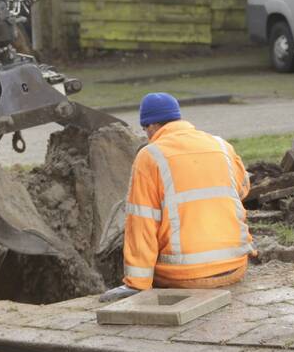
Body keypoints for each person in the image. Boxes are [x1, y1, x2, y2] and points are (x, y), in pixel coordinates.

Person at [100, 93, 253, 303]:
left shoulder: (150, 156)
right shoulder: (221, 145)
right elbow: (243, 190)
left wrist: (137, 284)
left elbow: (142, 223)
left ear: (151, 125)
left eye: (145, 130)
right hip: (234, 266)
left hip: (185, 276)